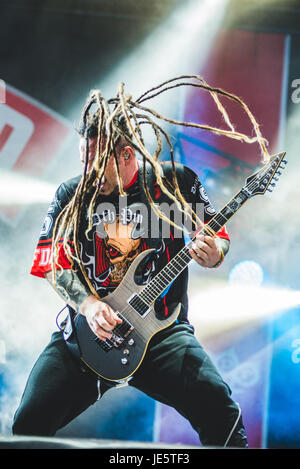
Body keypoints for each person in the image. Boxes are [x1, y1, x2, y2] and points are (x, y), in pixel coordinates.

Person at [12, 85, 248, 448]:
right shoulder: (71, 194)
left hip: (161, 334)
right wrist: (89, 306)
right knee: (28, 423)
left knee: (222, 413)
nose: (87, 172)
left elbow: (218, 235)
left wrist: (214, 252)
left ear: (126, 154)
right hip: (90, 334)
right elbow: (53, 264)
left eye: (94, 163)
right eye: (82, 161)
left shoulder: (175, 182)